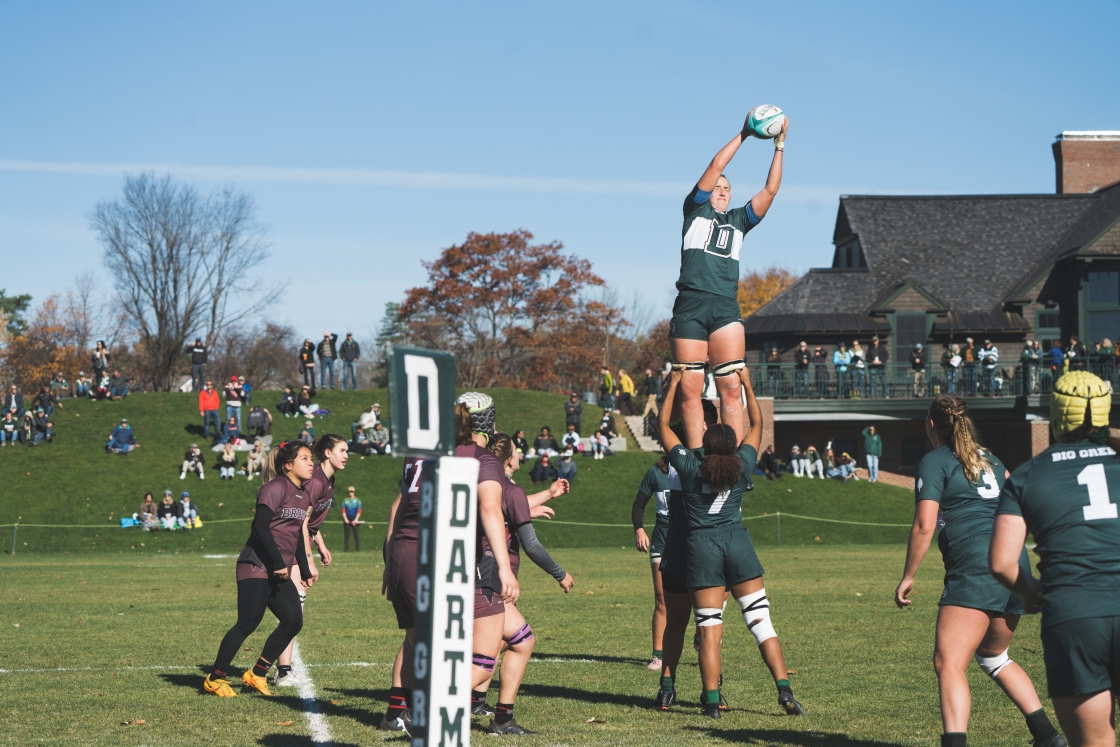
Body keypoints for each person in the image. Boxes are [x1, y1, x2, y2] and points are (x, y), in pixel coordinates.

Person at [898, 394, 1065, 747]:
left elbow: (924, 526)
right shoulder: (992, 458)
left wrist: (908, 576)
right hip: (1013, 562)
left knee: (948, 663)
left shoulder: (935, 460)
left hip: (977, 564)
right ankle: (1046, 735)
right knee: (993, 656)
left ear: (931, 425)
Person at [659, 366, 803, 718]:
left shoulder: (691, 466)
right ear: (732, 446)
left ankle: (711, 703)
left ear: (705, 443)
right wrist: (748, 387)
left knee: (709, 627)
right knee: (760, 621)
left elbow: (662, 428)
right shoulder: (742, 464)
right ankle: (784, 690)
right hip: (738, 542)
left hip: (702, 546)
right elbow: (758, 426)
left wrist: (676, 385)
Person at [990, 371, 1118, 747]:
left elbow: (1001, 562)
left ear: (1058, 413)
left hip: (1073, 612)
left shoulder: (1028, 475)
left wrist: (1031, 592)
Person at [669, 112, 786, 452]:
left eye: (726, 188)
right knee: (690, 388)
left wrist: (780, 144)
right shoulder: (694, 209)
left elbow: (771, 189)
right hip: (691, 304)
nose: (720, 190)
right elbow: (716, 163)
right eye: (716, 186)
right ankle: (693, 460)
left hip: (724, 306)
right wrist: (745, 135)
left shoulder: (739, 220)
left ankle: (732, 460)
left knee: (731, 387)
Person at [473, 432, 573, 735]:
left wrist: (545, 496)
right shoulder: (510, 489)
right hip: (489, 576)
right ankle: (437, 704)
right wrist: (560, 573)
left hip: (472, 571)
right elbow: (531, 545)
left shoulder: (485, 483)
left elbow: (507, 505)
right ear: (509, 459)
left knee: (514, 641)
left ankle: (495, 714)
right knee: (494, 653)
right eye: (517, 451)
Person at [203, 441, 317, 698]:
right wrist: (278, 563)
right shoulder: (275, 488)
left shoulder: (304, 494)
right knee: (248, 622)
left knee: (293, 620)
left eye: (312, 459)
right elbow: (261, 527)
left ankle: (257, 673)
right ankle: (215, 678)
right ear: (288, 465)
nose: (311, 463)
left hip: (278, 569)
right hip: (256, 563)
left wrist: (305, 569)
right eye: (305, 458)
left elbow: (297, 535)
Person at [273, 434, 346, 687]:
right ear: (328, 453)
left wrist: (321, 544)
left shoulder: (327, 479)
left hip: (300, 542)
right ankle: (282, 671)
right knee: (293, 612)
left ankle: (281, 668)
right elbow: (301, 522)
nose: (346, 456)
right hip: (292, 545)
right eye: (342, 450)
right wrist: (308, 561)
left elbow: (311, 522)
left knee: (294, 610)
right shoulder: (315, 481)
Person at [380, 455, 430, 733]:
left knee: (413, 640)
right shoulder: (462, 454)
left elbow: (396, 505)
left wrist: (388, 561)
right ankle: (421, 714)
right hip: (421, 551)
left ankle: (396, 713)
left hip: (401, 552)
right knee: (432, 642)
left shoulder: (414, 457)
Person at [632, 455, 671, 671]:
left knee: (698, 597)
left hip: (691, 543)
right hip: (662, 542)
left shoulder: (695, 468)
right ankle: (658, 655)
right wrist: (639, 529)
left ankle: (700, 637)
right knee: (662, 599)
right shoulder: (656, 472)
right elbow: (638, 505)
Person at [341, 486, 361, 551]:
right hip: (347, 520)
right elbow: (343, 510)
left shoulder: (357, 500)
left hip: (355, 520)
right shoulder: (345, 500)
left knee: (356, 535)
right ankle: (346, 548)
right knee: (347, 535)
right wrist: (345, 519)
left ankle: (357, 548)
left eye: (352, 491)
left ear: (354, 492)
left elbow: (359, 510)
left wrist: (356, 519)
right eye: (350, 491)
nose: (351, 493)